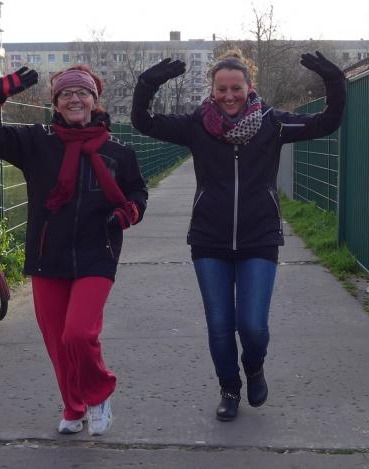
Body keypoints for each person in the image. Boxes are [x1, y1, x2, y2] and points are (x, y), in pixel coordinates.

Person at [131, 49, 345, 421]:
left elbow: (326, 122)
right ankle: (229, 388)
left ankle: (254, 366)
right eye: (222, 89)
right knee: (219, 326)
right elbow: (143, 122)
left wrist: (334, 80)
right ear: (212, 90)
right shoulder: (196, 125)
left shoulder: (273, 123)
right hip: (209, 240)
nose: (229, 95)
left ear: (249, 87)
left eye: (236, 88)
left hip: (259, 237)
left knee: (253, 326)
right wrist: (148, 83)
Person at [0, 64, 148, 436]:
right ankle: (74, 406)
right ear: (55, 104)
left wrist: (128, 212)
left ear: (94, 101)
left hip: (97, 254)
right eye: (65, 94)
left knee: (78, 334)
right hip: (47, 256)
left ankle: (98, 394)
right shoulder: (37, 143)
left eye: (82, 93)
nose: (74, 99)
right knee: (56, 341)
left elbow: (137, 192)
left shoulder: (118, 152)